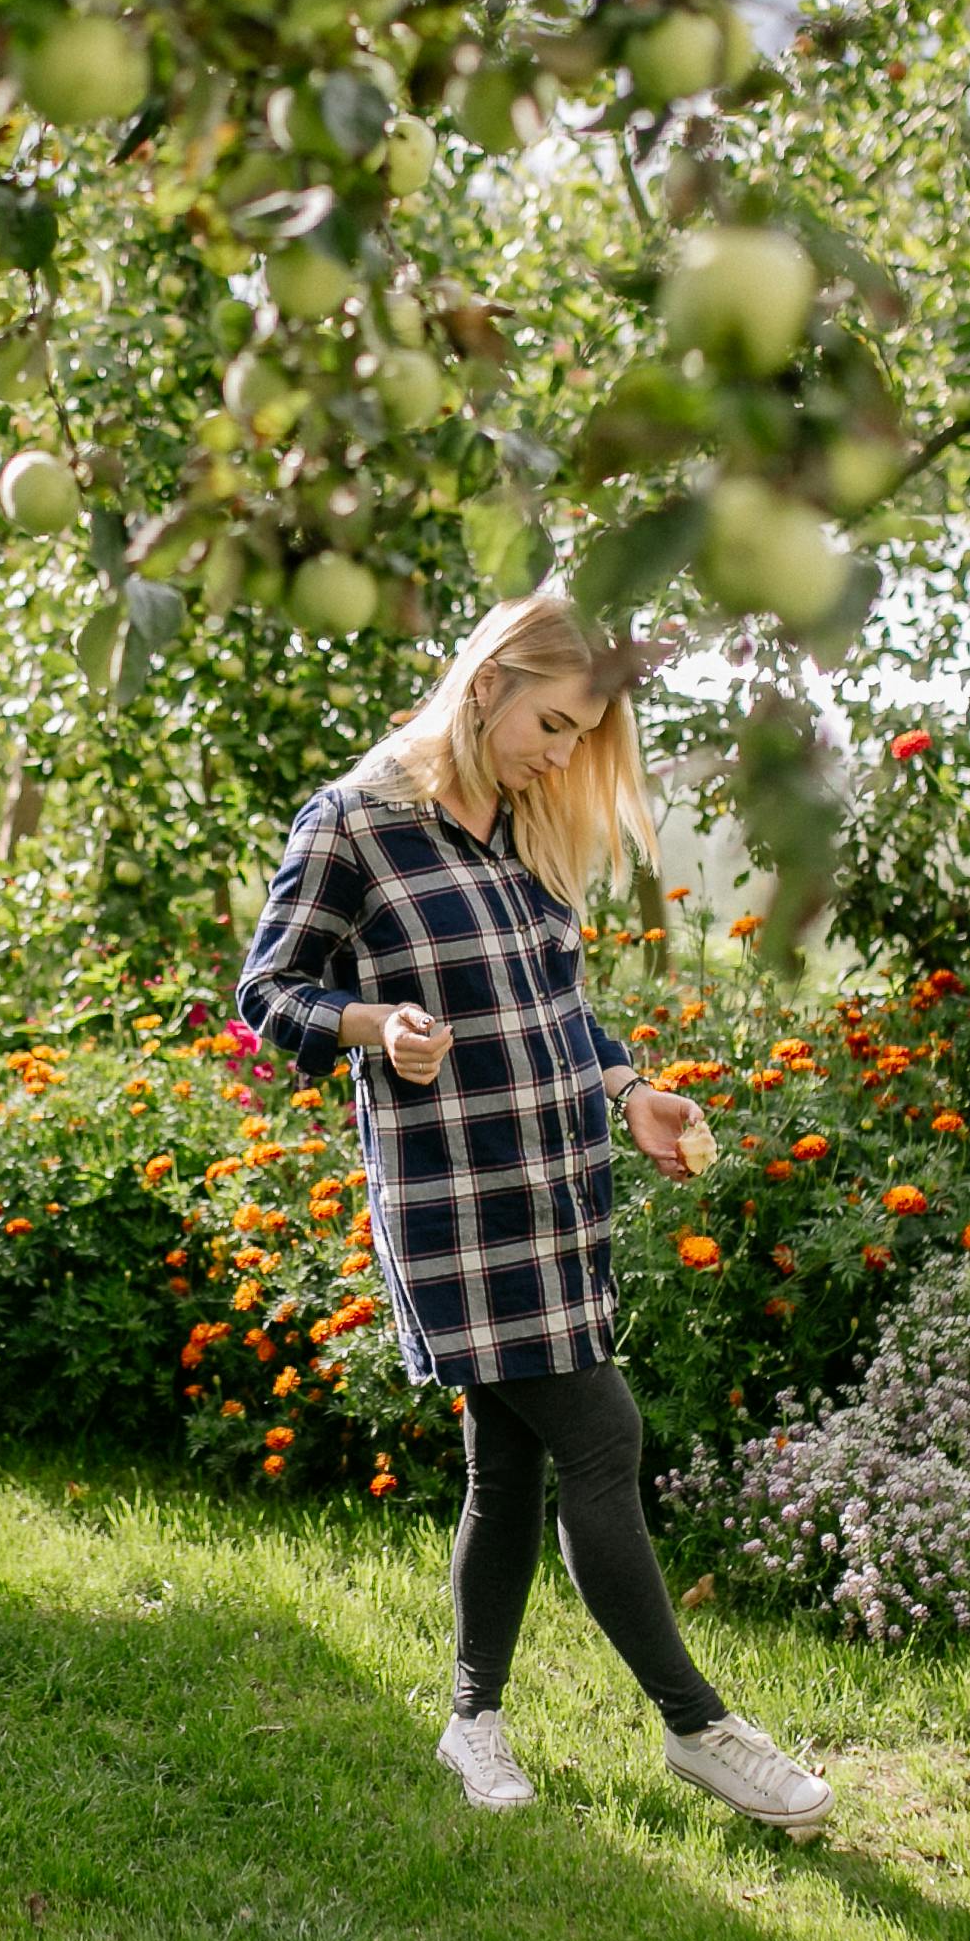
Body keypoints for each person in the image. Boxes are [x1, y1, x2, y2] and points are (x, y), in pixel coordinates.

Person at [236, 591, 834, 1836]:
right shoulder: (355, 823)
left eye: (578, 738)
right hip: (458, 1201)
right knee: (602, 1439)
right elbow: (267, 991)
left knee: (504, 1467)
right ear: (488, 678)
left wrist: (630, 1087)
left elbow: (553, 1009)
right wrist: (370, 1022)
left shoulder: (515, 831)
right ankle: (696, 1726)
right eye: (551, 723)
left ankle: (472, 1718)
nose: (559, 756)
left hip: (557, 1190)